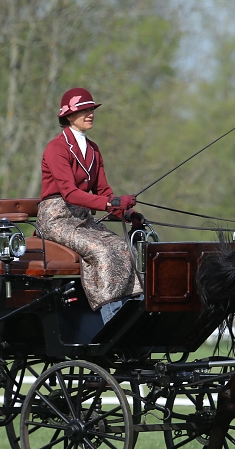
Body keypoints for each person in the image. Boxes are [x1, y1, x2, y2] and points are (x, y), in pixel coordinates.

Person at [38, 87, 143, 311]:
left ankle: (128, 309)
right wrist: (110, 204)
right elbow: (70, 193)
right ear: (68, 115)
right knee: (102, 250)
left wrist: (127, 214)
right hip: (56, 220)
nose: (91, 114)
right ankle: (106, 310)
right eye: (84, 110)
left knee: (125, 248)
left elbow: (104, 191)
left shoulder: (94, 150)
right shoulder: (56, 148)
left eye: (92, 109)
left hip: (83, 220)